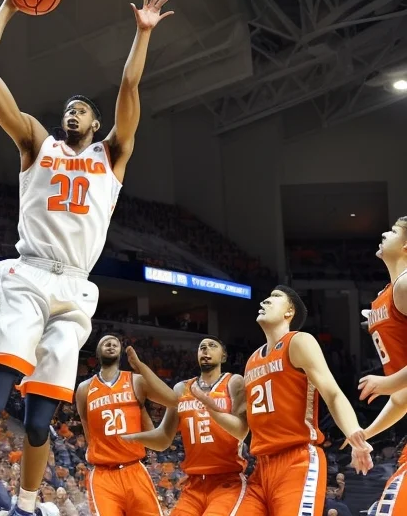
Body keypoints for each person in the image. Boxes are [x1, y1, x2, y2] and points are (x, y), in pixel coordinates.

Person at [0, 0, 172, 516]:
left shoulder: (112, 155)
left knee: (38, 422)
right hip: (30, 275)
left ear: (96, 124)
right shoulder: (36, 142)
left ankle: (26, 505)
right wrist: (9, 6)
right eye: (68, 110)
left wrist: (143, 34)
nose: (71, 115)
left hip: (75, 289)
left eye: (81, 111)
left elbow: (129, 85)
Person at [191, 287, 373, 516]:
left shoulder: (298, 341)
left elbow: (332, 393)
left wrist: (354, 434)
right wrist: (212, 408)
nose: (265, 301)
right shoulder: (252, 361)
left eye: (275, 297)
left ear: (289, 311)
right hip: (261, 467)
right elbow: (243, 429)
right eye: (266, 297)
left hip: (297, 460)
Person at [124, 338, 247, 516]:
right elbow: (163, 438)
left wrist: (211, 409)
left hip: (227, 480)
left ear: (223, 356)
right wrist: (134, 436)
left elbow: (242, 430)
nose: (206, 350)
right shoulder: (181, 389)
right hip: (194, 484)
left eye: (212, 346)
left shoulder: (233, 381)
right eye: (202, 347)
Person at [72, 335, 175, 516]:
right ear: (97, 352)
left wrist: (140, 366)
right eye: (106, 343)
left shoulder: (135, 380)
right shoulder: (84, 389)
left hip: (134, 469)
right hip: (103, 475)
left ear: (120, 352)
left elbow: (172, 400)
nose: (111, 345)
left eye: (115, 343)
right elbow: (87, 429)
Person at [353, 219, 407, 450]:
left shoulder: (405, 284)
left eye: (394, 231)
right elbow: (402, 398)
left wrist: (388, 382)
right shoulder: (387, 293)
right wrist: (364, 436)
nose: (384, 233)